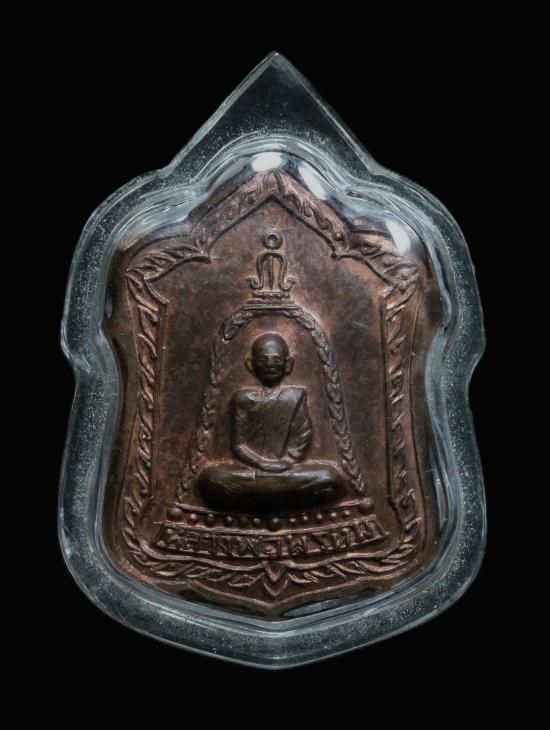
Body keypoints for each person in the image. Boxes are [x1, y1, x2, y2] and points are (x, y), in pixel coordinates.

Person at [198, 333, 343, 512]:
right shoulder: (243, 398)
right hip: (252, 472)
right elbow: (239, 445)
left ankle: (258, 499)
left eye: (276, 360)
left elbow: (303, 434)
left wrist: (287, 461)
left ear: (288, 364)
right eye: (263, 360)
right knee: (212, 478)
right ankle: (283, 498)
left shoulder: (295, 396)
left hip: (287, 471)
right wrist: (262, 463)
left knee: (328, 477)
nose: (269, 365)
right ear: (251, 365)